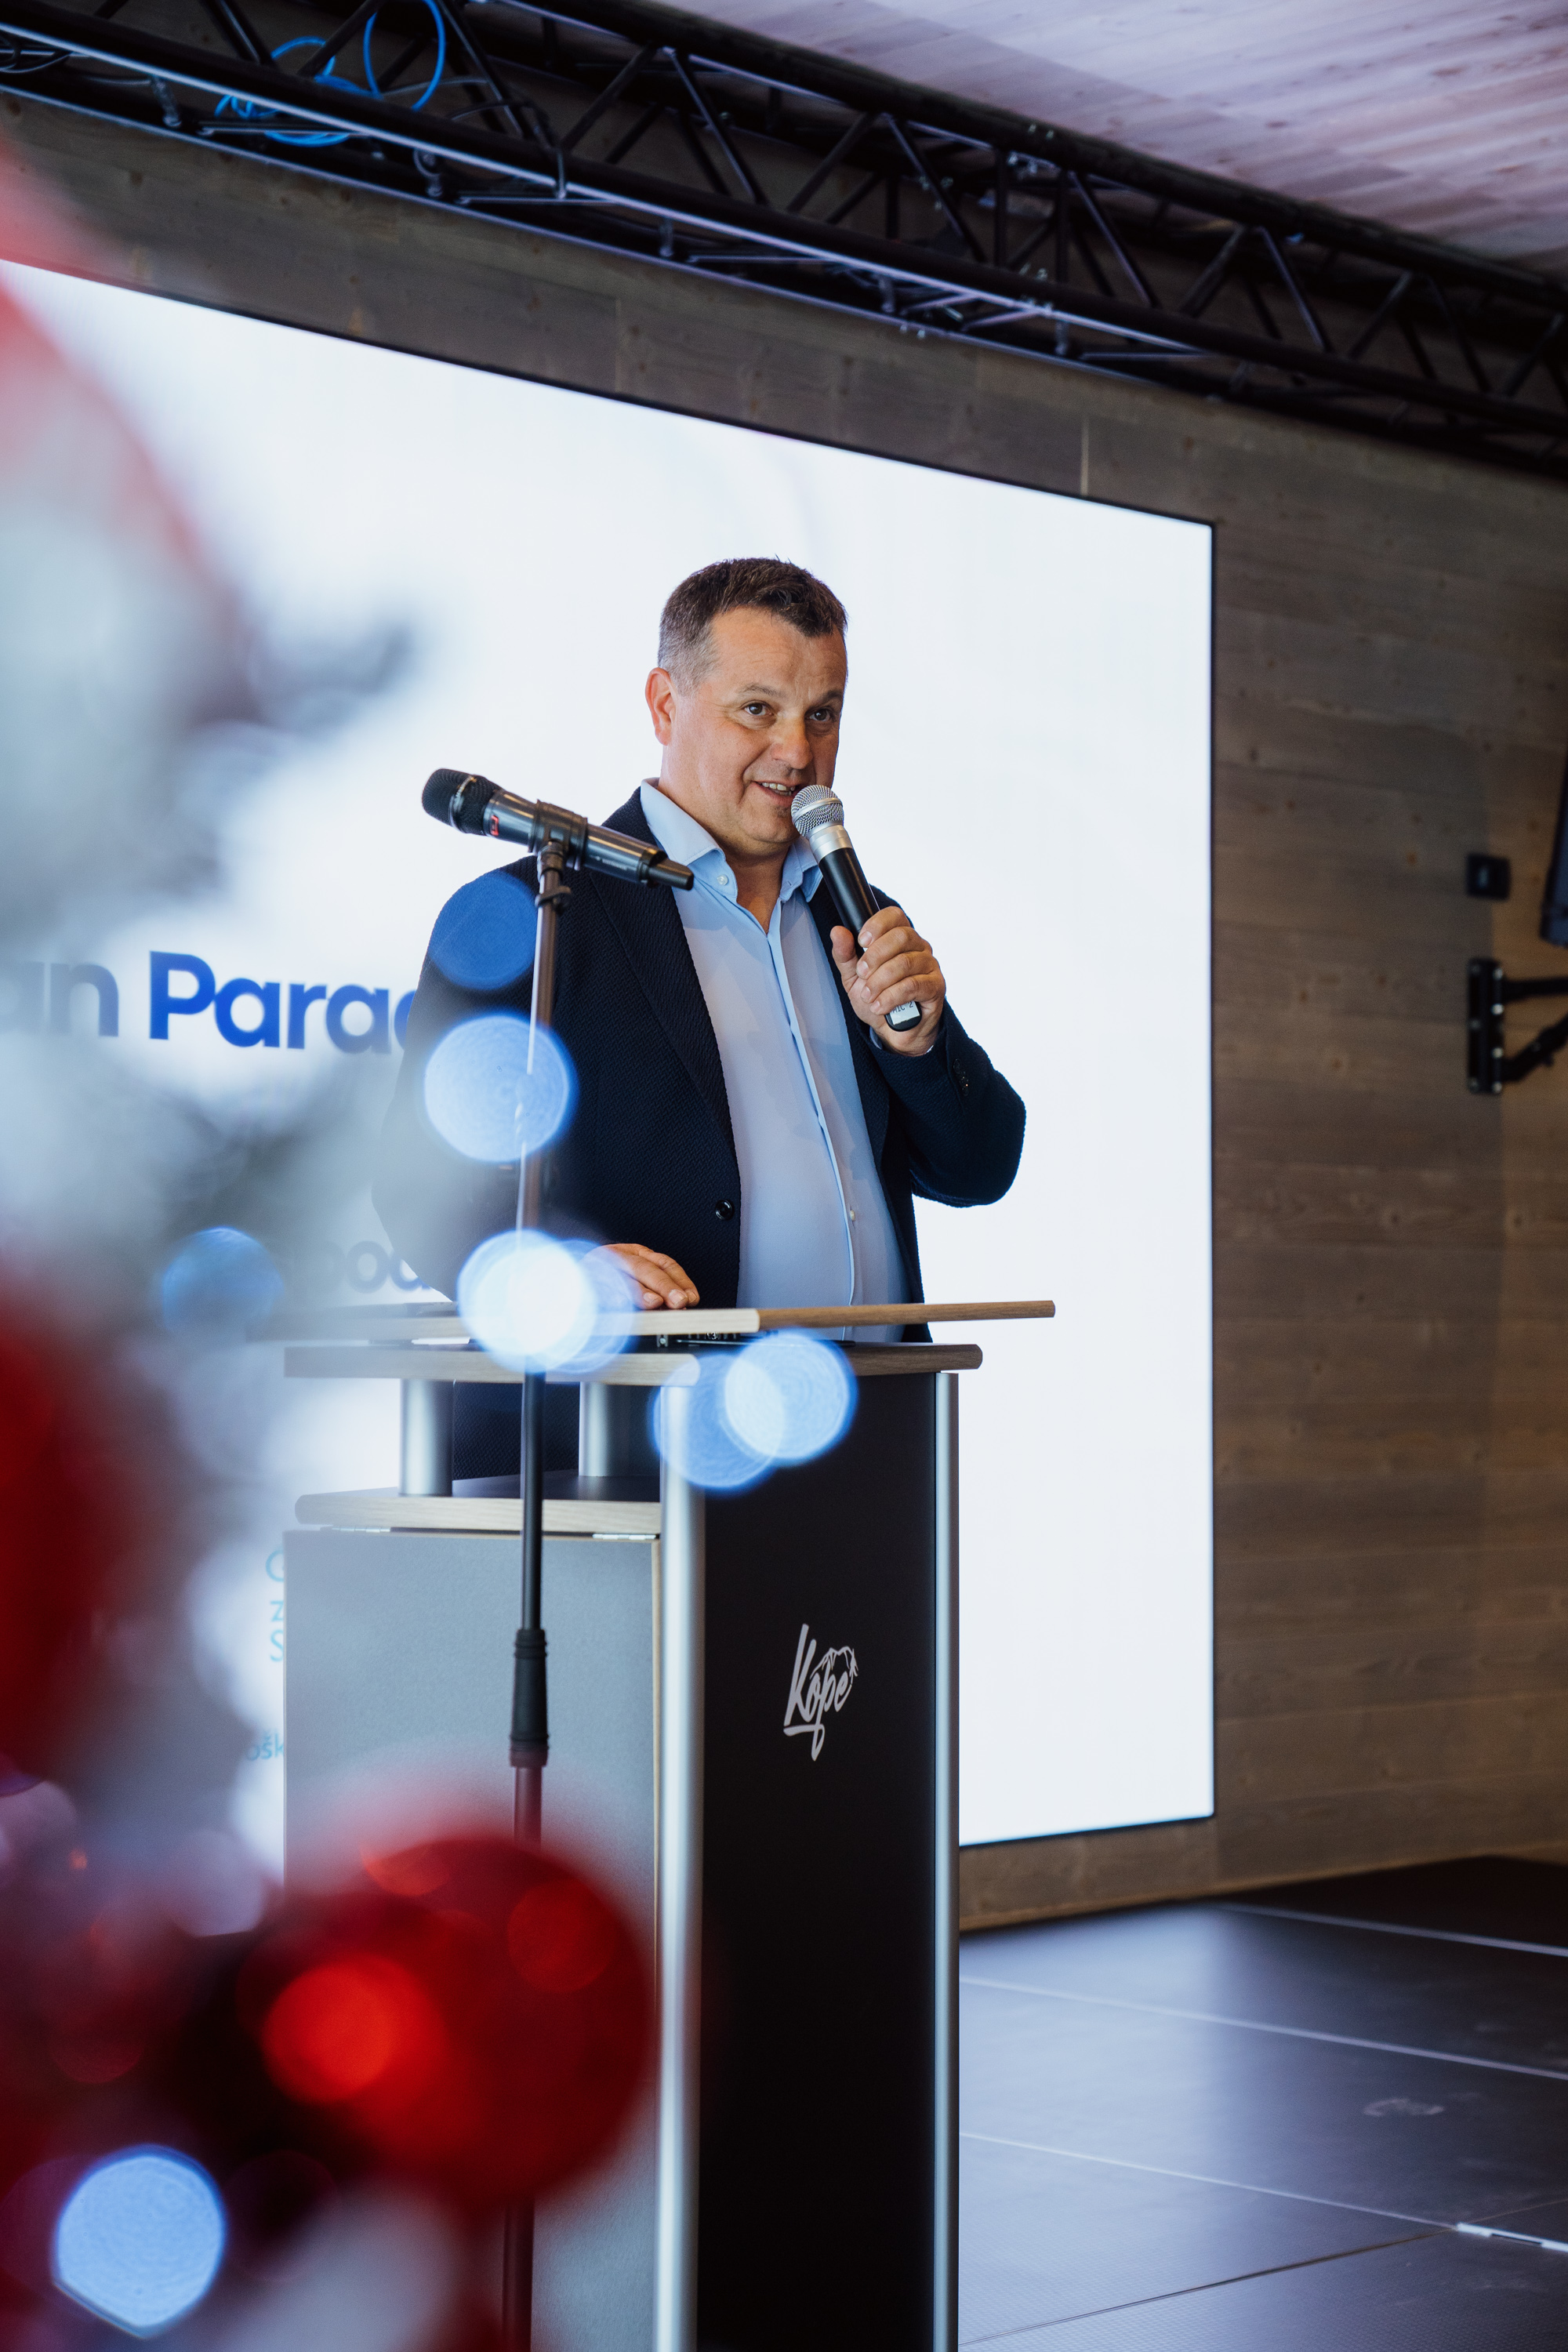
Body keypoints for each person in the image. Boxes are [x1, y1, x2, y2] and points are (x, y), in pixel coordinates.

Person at [374, 557, 1025, 1464]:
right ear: (663, 705)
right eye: (756, 709)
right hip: (638, 1440)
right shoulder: (534, 912)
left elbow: (980, 1167)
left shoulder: (855, 914)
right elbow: (421, 1191)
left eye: (822, 714)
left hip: (871, 1437)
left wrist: (916, 1048)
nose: (796, 752)